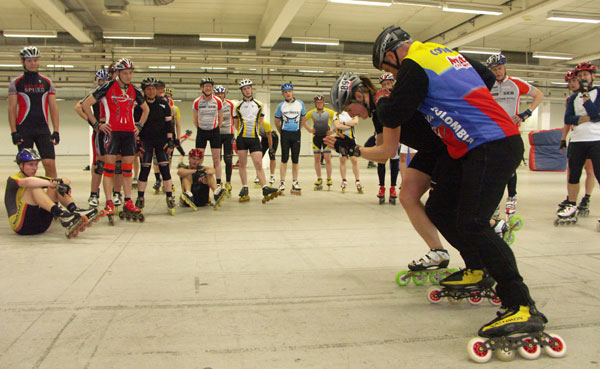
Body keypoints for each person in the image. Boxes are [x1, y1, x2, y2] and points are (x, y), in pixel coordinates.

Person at [331, 26, 546, 337]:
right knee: (442, 211)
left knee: (473, 222)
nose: (391, 73)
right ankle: (476, 270)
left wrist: (391, 110)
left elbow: (395, 113)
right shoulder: (442, 54)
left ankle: (521, 305)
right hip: (475, 144)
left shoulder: (413, 65)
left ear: (392, 55)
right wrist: (452, 104)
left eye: (388, 67)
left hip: (489, 141)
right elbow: (486, 77)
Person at [81, 58, 149, 222]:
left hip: (128, 134)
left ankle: (128, 200)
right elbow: (85, 104)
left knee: (127, 170)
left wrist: (138, 126)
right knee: (109, 169)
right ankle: (109, 202)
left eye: (130, 73)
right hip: (112, 133)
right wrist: (97, 124)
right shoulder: (107, 86)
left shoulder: (133, 90)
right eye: (125, 73)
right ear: (118, 73)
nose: (128, 76)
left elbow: (146, 109)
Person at [487, 53, 545, 215]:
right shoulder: (487, 85)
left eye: (499, 68)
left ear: (505, 67)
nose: (497, 72)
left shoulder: (516, 84)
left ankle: (512, 197)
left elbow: (539, 95)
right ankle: (494, 200)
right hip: (492, 132)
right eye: (493, 70)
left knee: (510, 167)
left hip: (511, 132)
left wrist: (526, 113)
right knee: (493, 168)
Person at [5, 149, 98, 238]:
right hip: (21, 226)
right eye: (31, 165)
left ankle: (74, 210)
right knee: (34, 187)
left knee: (54, 186)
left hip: (42, 225)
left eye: (36, 164)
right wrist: (52, 183)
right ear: (21, 165)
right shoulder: (13, 179)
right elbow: (27, 182)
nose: (35, 168)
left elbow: (66, 180)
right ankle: (61, 214)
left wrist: (61, 184)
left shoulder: (36, 177)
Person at [557, 62, 600, 226]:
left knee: (598, 173)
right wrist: (584, 118)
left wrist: (585, 95)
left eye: (585, 75)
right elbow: (568, 119)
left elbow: (595, 113)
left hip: (596, 139)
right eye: (580, 75)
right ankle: (572, 205)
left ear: (592, 76)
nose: (582, 78)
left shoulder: (598, 92)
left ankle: (586, 199)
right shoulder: (573, 98)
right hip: (577, 140)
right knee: (573, 175)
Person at [9, 46, 60, 179]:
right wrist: (14, 131)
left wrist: (56, 130)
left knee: (49, 164)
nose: (33, 63)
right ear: (23, 62)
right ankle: (27, 198)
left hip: (42, 128)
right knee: (27, 167)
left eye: (35, 60)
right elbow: (12, 108)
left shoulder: (47, 82)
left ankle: (52, 197)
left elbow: (53, 107)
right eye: (29, 61)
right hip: (24, 129)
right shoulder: (16, 83)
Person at [134, 77, 176, 215]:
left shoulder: (163, 104)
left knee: (165, 169)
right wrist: (137, 143)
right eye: (148, 89)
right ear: (144, 91)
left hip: (161, 140)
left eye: (153, 88)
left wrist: (170, 141)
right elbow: (136, 127)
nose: (151, 91)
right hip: (146, 140)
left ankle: (169, 196)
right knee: (145, 169)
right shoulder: (139, 107)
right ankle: (140, 197)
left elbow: (169, 125)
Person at [233, 79, 280, 203]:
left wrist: (254, 131)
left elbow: (260, 121)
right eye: (244, 89)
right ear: (242, 91)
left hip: (254, 137)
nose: (247, 90)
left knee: (258, 163)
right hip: (242, 138)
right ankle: (244, 187)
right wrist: (243, 132)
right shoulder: (237, 106)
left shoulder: (259, 104)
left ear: (251, 88)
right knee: (242, 164)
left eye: (248, 88)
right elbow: (236, 124)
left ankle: (265, 187)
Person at [74, 69, 111, 207]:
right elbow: (78, 107)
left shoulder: (113, 94)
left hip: (114, 132)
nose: (103, 82)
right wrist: (92, 122)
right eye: (101, 80)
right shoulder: (94, 95)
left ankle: (115, 193)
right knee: (99, 165)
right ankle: (94, 194)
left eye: (105, 80)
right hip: (100, 131)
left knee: (115, 164)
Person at [274, 83, 308, 195]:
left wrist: (299, 129)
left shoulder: (300, 104)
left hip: (296, 134)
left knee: (295, 159)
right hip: (285, 134)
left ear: (292, 91)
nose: (288, 93)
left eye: (289, 91)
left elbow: (303, 118)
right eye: (285, 92)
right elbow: (277, 121)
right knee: (284, 159)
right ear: (283, 94)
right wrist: (282, 132)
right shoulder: (280, 106)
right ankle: (282, 182)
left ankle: (295, 181)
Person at [193, 77, 224, 187]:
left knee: (216, 159)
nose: (208, 88)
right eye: (206, 86)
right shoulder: (197, 101)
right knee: (198, 159)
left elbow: (221, 117)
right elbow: (195, 119)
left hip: (214, 131)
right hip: (201, 131)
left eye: (210, 87)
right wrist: (201, 128)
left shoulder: (218, 101)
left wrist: (215, 127)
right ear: (202, 88)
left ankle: (219, 183)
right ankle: (197, 180)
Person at [376, 73, 400, 203]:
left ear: (392, 83)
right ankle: (381, 186)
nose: (386, 86)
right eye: (384, 84)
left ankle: (393, 187)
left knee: (394, 160)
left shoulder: (397, 94)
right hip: (382, 130)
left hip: (394, 130)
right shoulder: (379, 96)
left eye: (388, 84)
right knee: (381, 160)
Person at [305, 95, 335, 191]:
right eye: (318, 103)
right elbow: (302, 121)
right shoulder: (311, 113)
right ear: (315, 103)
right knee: (317, 159)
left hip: (327, 138)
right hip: (316, 138)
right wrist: (309, 129)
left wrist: (333, 131)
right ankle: (319, 178)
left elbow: (339, 119)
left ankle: (329, 178)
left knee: (327, 158)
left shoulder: (329, 112)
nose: (319, 104)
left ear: (323, 102)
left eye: (321, 102)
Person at [333, 111, 363, 193]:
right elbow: (337, 125)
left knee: (354, 160)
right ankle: (344, 180)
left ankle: (357, 181)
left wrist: (343, 123)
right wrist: (349, 124)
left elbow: (355, 122)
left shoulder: (352, 112)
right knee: (342, 160)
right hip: (341, 140)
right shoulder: (336, 113)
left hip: (352, 140)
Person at [214, 85, 236, 195]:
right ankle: (218, 182)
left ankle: (228, 182)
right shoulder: (213, 104)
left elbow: (235, 118)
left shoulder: (230, 104)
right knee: (217, 159)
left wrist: (235, 134)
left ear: (224, 94)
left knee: (228, 159)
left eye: (221, 94)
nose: (219, 96)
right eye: (217, 94)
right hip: (217, 134)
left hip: (228, 133)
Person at [258, 120, 278, 185]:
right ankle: (258, 175)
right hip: (264, 138)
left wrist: (271, 148)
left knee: (271, 155)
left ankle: (272, 176)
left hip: (273, 138)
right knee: (259, 156)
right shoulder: (254, 125)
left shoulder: (265, 124)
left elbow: (269, 136)